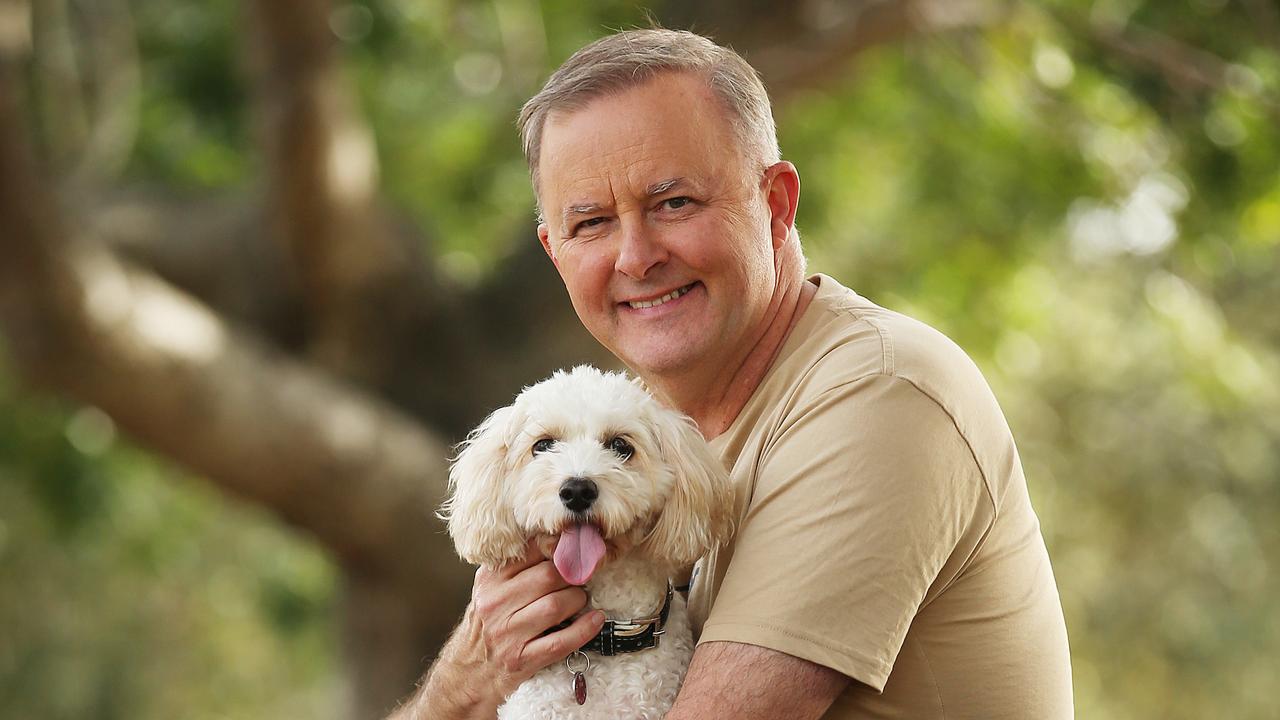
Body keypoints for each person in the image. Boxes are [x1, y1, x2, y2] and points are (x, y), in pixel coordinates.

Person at [393, 28, 1073, 719]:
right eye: (592, 222)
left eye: (674, 203)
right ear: (555, 252)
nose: (636, 256)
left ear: (775, 203)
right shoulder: (640, 428)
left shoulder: (879, 393)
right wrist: (466, 678)